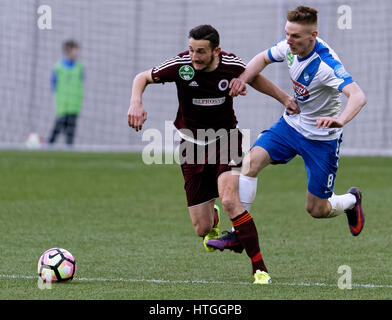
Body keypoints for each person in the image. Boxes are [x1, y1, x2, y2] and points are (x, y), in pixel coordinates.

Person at [127, 25, 299, 284]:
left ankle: (259, 268)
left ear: (216, 50)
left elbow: (254, 78)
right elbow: (142, 77)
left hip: (226, 140)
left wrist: (284, 98)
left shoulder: (230, 65)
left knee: (230, 199)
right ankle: (213, 217)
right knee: (202, 229)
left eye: (201, 52)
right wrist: (135, 102)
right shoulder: (181, 66)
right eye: (192, 50)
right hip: (190, 145)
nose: (194, 57)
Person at [207, 6, 367, 277]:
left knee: (316, 209)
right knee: (249, 164)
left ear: (312, 35)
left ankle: (352, 200)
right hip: (291, 126)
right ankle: (237, 233)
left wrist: (340, 119)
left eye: (294, 36)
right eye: (287, 34)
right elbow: (261, 59)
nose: (288, 40)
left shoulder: (327, 65)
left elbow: (358, 95)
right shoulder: (289, 46)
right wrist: (241, 80)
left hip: (321, 139)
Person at [48, 40, 84, 146]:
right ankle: (48, 146)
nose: (77, 53)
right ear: (68, 50)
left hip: (74, 106)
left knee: (70, 133)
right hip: (63, 105)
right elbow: (53, 84)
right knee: (57, 129)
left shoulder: (80, 68)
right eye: (75, 50)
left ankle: (69, 150)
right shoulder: (58, 68)